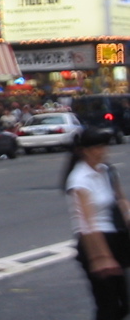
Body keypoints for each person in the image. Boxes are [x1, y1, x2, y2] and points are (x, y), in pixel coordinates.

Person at [63, 128, 130, 320]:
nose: (102, 151)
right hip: (94, 242)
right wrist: (101, 257)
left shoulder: (106, 170)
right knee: (108, 305)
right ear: (85, 150)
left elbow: (121, 200)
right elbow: (87, 222)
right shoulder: (79, 179)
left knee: (124, 303)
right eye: (96, 147)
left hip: (117, 238)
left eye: (104, 147)